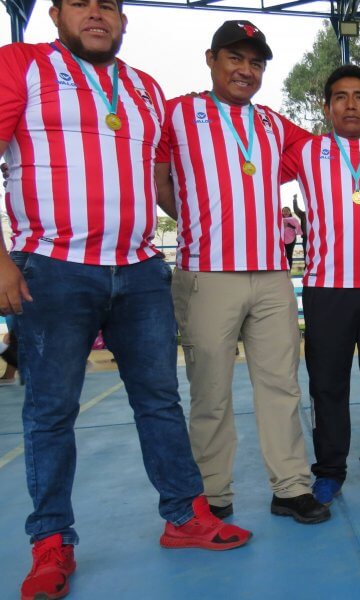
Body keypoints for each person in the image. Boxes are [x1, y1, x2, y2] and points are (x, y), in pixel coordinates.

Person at [0, 1, 253, 597]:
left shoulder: (143, 88)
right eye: (80, 2)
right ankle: (51, 542)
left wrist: (195, 221)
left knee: (160, 401)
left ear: (123, 20)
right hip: (54, 267)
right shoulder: (22, 65)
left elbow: (160, 171)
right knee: (50, 412)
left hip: (139, 270)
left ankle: (184, 517)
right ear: (57, 14)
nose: (96, 13)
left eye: (108, 4)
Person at [155, 20, 328, 525]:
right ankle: (212, 493)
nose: (245, 70)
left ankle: (291, 487)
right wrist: (193, 215)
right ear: (211, 59)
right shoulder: (179, 113)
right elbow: (158, 179)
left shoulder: (274, 124)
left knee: (281, 385)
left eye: (255, 63)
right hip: (207, 274)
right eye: (235, 58)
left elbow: (323, 150)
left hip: (272, 276)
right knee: (210, 390)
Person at [281, 65, 360, 506]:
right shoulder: (305, 150)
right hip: (326, 292)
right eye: (340, 97)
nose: (350, 104)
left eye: (359, 97)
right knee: (327, 387)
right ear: (326, 106)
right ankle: (330, 471)